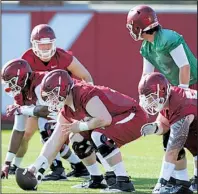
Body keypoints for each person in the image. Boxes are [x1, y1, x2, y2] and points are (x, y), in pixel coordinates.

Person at [17, 69, 148, 192]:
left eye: (53, 95)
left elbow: (105, 119)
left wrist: (80, 126)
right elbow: (53, 142)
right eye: (48, 97)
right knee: (75, 137)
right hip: (113, 118)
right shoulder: (66, 110)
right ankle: (97, 178)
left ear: (63, 89)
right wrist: (37, 166)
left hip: (133, 115)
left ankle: (123, 181)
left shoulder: (84, 93)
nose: (51, 100)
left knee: (98, 135)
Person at [126, 5, 197, 191]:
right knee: (172, 136)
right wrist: (144, 97)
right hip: (176, 91)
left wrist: (183, 93)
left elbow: (185, 67)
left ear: (139, 26)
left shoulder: (168, 38)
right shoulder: (147, 46)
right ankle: (181, 180)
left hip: (191, 86)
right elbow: (146, 76)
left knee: (188, 135)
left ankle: (187, 179)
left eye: (132, 25)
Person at [9, 24, 92, 180]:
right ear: (33, 45)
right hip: (37, 102)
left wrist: (85, 103)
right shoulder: (26, 59)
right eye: (42, 45)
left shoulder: (63, 56)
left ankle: (59, 169)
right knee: (27, 133)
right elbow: (22, 86)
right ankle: (77, 167)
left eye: (49, 44)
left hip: (60, 101)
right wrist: (21, 105)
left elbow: (86, 77)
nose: (46, 48)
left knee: (51, 133)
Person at [1, 59, 88, 180]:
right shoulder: (20, 93)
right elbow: (18, 130)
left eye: (11, 82)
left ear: (22, 78)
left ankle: (59, 170)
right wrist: (7, 163)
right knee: (48, 131)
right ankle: (79, 167)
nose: (9, 87)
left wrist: (23, 110)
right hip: (66, 109)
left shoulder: (41, 84)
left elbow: (51, 111)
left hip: (82, 103)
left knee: (48, 128)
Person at [138, 72, 197, 193]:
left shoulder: (180, 103)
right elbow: (164, 125)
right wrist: (154, 128)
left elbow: (173, 150)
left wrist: (160, 184)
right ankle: (183, 184)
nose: (148, 102)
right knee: (170, 138)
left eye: (151, 97)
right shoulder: (171, 98)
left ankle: (174, 184)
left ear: (162, 90)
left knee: (173, 144)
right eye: (146, 98)